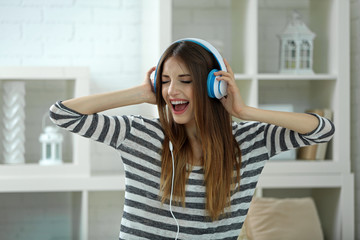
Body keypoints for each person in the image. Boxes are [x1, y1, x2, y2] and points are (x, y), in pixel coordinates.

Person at [49, 38, 335, 240]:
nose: (172, 90)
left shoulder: (249, 143)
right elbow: (62, 114)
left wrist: (244, 111)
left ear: (214, 87)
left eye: (185, 81)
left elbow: (322, 129)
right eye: (165, 80)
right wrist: (139, 93)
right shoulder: (140, 134)